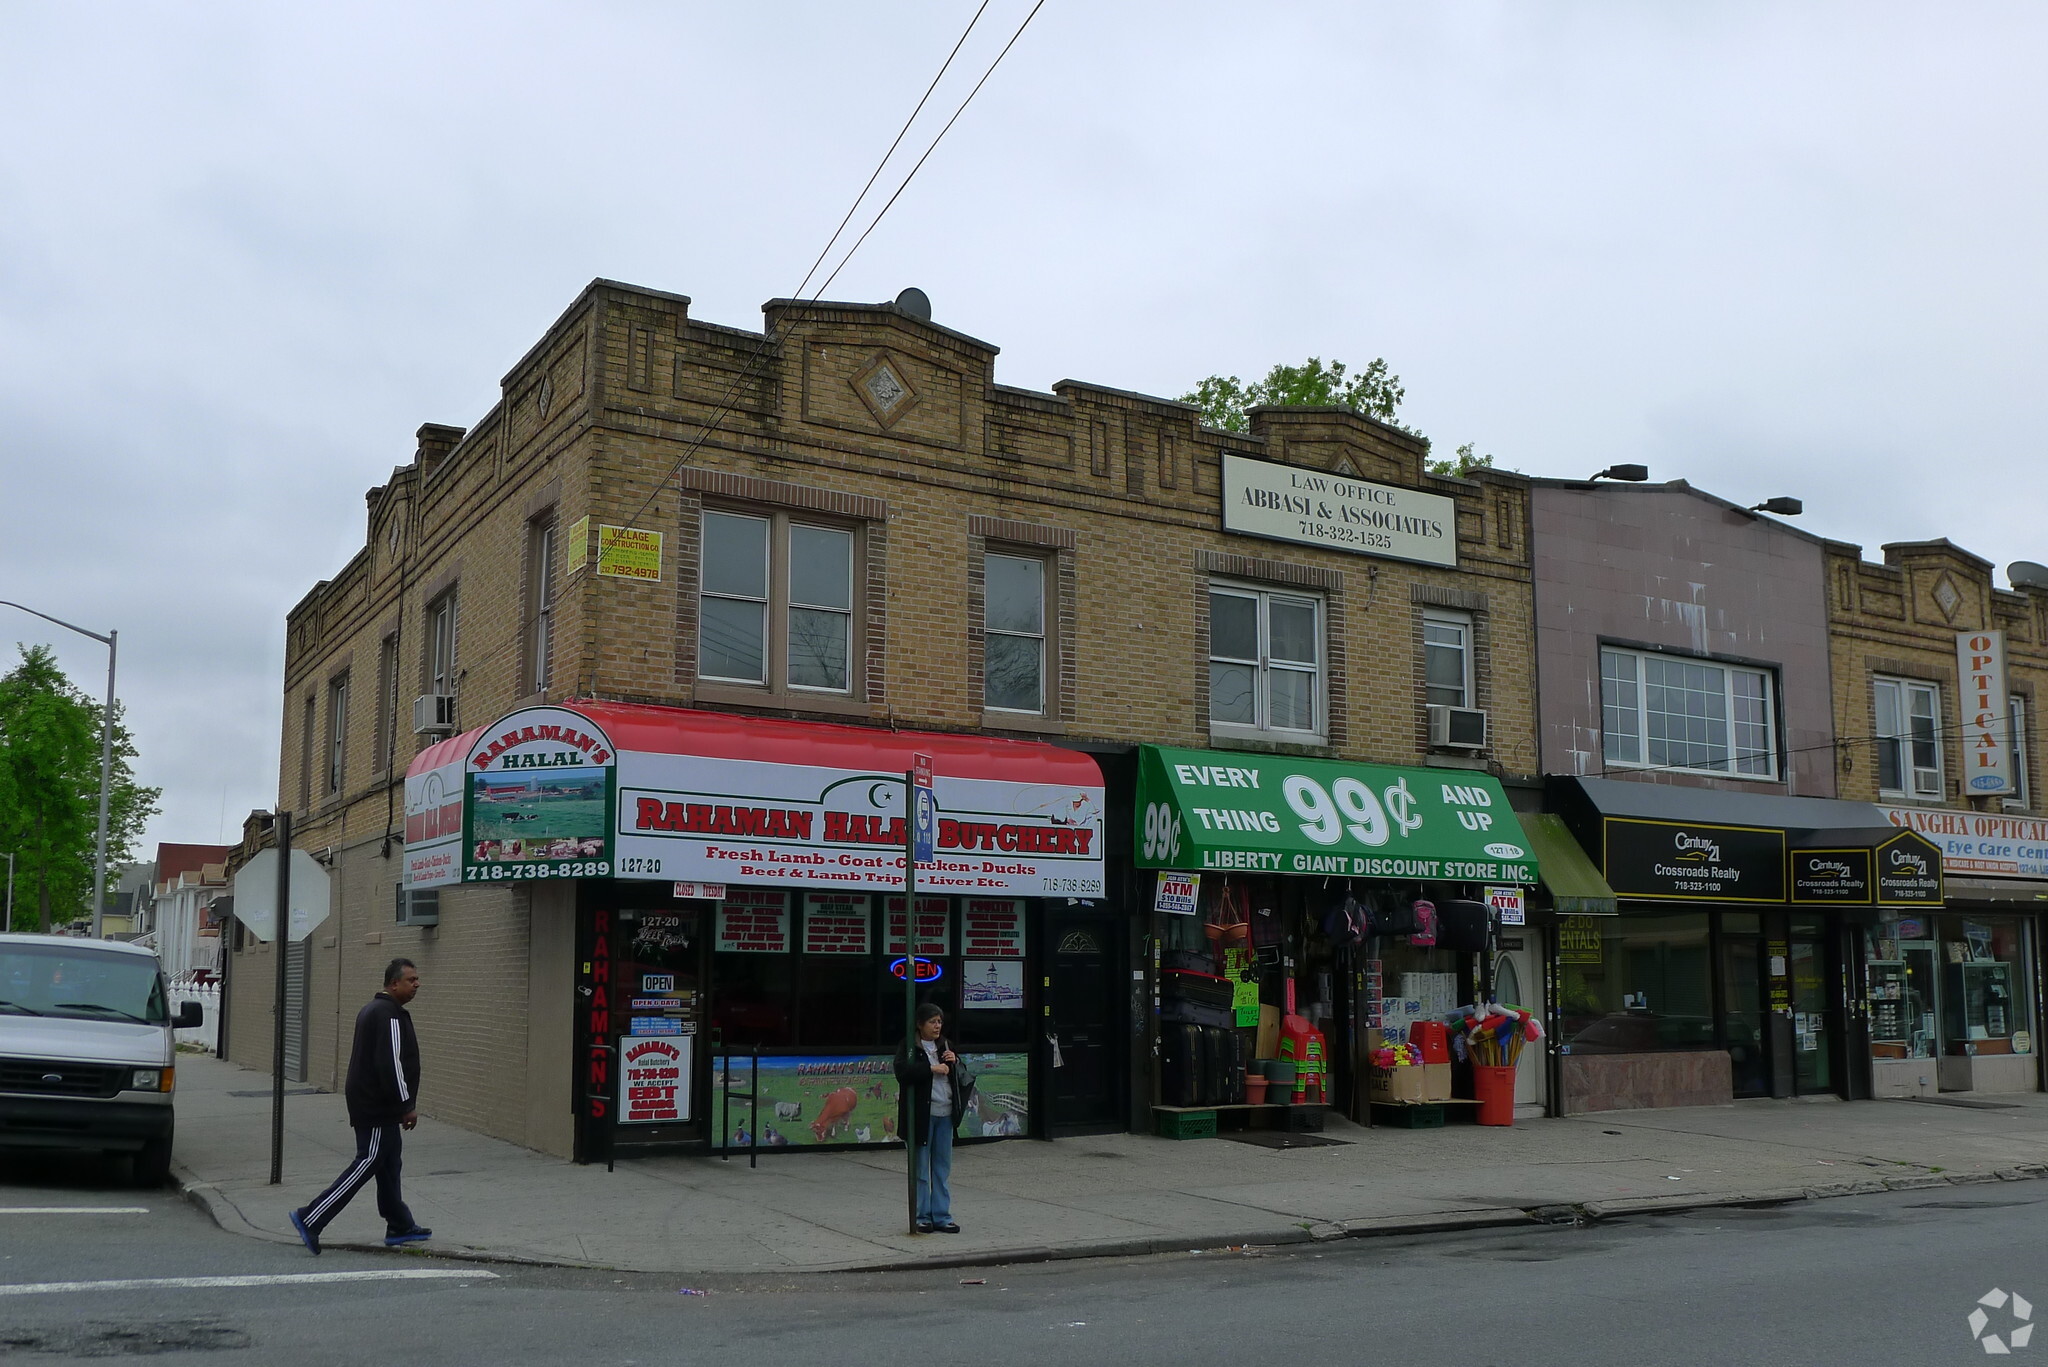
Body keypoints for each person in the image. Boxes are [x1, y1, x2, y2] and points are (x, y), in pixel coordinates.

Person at [288, 959, 431, 1253]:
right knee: (367, 1162)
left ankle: (399, 1225)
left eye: (417, 979)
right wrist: (406, 1104)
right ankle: (311, 1217)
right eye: (411, 980)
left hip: (375, 1104)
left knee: (389, 1163)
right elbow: (390, 1063)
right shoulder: (387, 1014)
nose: (417, 984)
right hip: (377, 1106)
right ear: (394, 984)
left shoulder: (376, 1010)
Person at [893, 1002, 966, 1234]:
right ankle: (922, 1216)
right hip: (922, 1116)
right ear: (920, 1024)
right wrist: (931, 1069)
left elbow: (960, 1075)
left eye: (940, 1021)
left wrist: (954, 1062)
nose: (937, 1026)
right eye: (932, 1021)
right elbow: (903, 1072)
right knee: (921, 1169)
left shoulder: (945, 1045)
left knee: (942, 1168)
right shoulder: (910, 1046)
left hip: (945, 1115)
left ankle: (942, 1216)